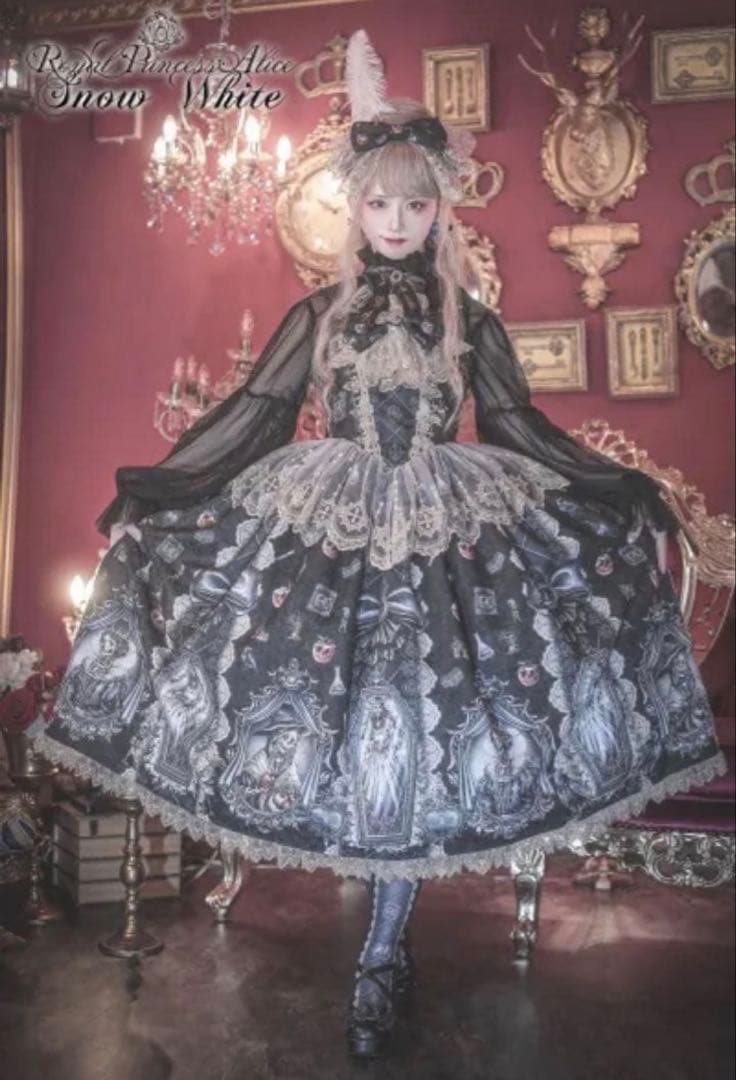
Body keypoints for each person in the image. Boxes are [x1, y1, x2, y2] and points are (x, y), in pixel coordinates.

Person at [27, 29, 727, 1061]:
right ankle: (378, 935)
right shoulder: (318, 315)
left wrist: (619, 488)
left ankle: (383, 951)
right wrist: (160, 490)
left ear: (440, 210)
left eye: (416, 204)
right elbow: (255, 420)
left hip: (446, 530)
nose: (398, 221)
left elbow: (519, 428)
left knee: (425, 725)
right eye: (380, 205)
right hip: (333, 523)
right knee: (347, 734)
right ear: (354, 209)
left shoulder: (470, 320)